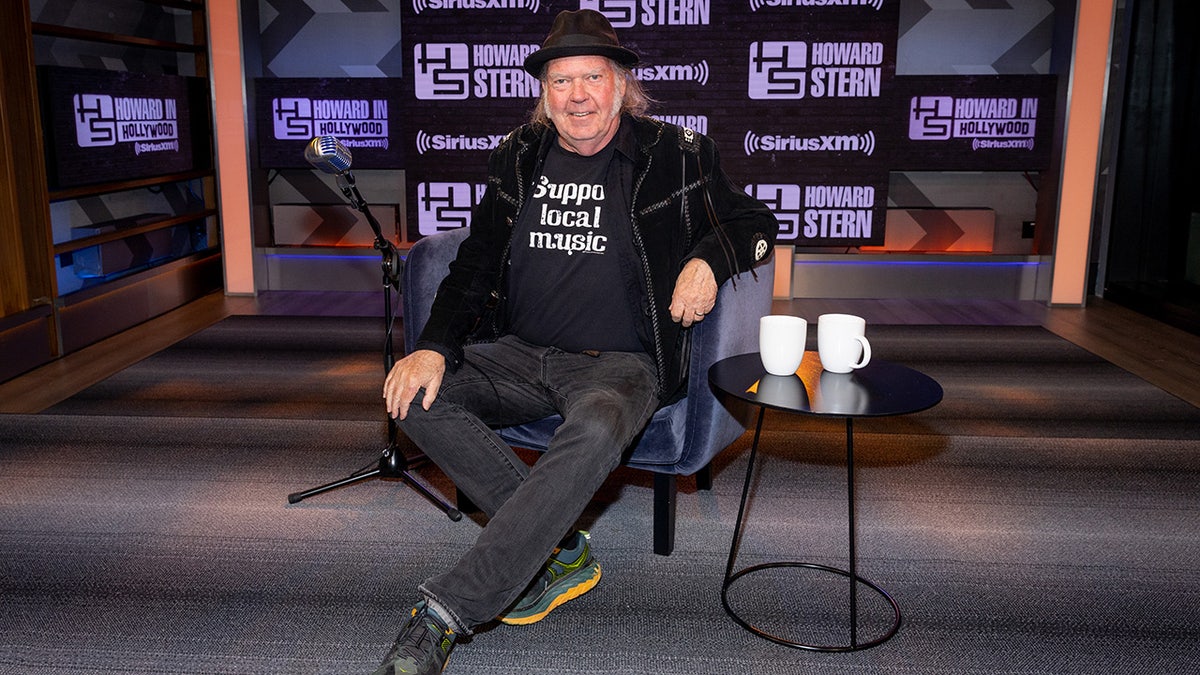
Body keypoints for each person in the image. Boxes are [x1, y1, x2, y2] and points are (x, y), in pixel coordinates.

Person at [375, 9, 777, 674]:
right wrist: (433, 347)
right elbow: (474, 263)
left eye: (592, 77)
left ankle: (443, 614)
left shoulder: (677, 155)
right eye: (561, 82)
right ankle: (560, 546)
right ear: (545, 94)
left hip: (622, 364)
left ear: (622, 86)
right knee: (413, 394)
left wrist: (710, 257)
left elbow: (755, 222)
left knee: (595, 431)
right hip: (519, 351)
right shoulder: (519, 156)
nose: (578, 95)